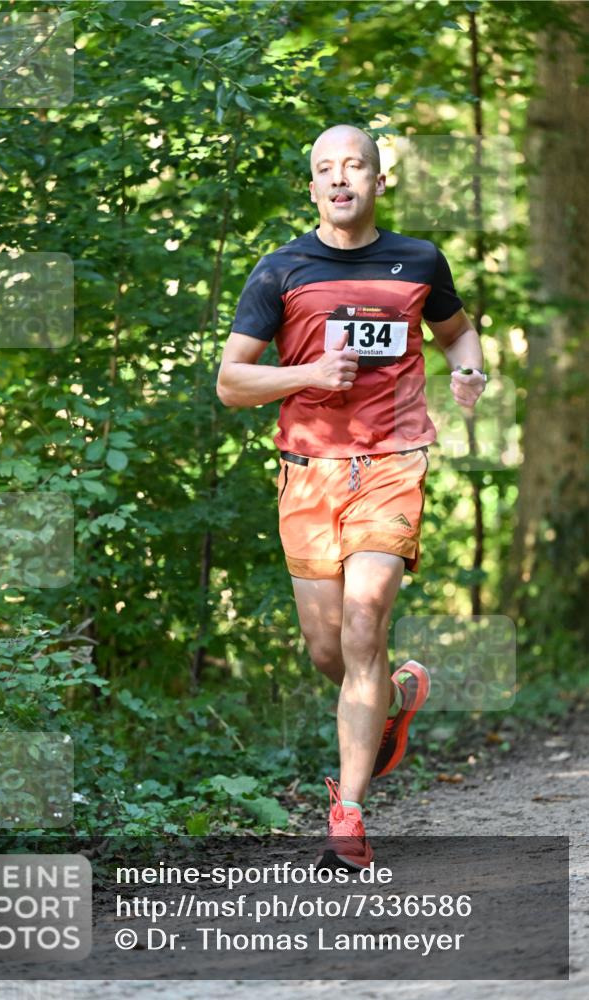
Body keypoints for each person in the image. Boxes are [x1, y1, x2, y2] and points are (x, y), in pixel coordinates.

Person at [216, 124, 486, 870]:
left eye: (355, 166)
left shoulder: (418, 261)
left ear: (377, 180)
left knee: (365, 621)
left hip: (393, 461)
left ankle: (348, 815)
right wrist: (308, 375)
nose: (341, 178)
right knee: (327, 648)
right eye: (326, 169)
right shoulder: (280, 270)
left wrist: (468, 370)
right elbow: (231, 381)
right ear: (312, 187)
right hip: (308, 470)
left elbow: (458, 334)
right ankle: (393, 699)